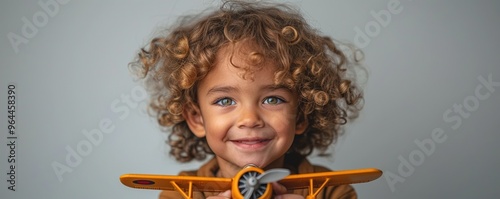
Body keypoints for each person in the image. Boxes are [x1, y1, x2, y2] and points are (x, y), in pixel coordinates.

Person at [131, 1, 364, 198]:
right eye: (225, 101)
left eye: (273, 99)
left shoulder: (333, 191)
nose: (250, 119)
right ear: (197, 118)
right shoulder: (179, 193)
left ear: (301, 115)